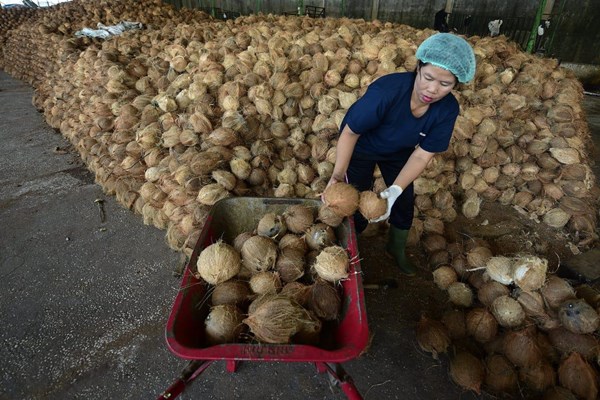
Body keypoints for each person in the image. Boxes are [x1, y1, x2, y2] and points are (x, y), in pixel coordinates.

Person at [326, 33, 476, 276]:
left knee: (404, 201)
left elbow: (421, 156)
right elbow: (350, 132)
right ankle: (352, 248)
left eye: (445, 84)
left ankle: (395, 250)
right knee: (353, 200)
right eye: (428, 78)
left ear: (455, 84)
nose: (433, 89)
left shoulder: (447, 109)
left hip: (400, 152)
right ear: (417, 68)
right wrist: (337, 174)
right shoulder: (387, 91)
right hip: (363, 148)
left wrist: (395, 190)